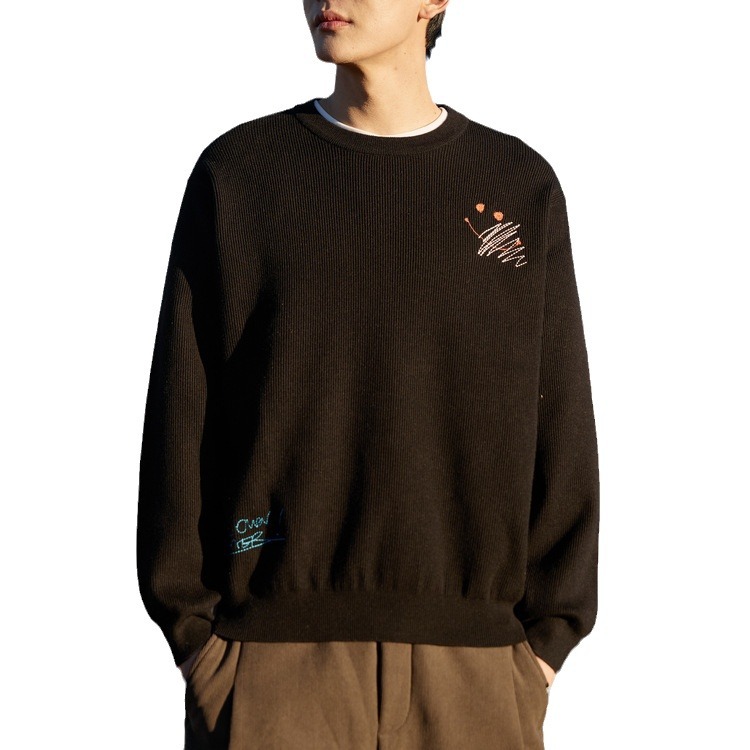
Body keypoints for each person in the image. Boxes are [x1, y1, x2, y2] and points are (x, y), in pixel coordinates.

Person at [136, 1, 600, 747]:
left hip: (477, 674)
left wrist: (544, 645)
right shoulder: (241, 174)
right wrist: (200, 644)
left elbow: (561, 418)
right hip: (271, 667)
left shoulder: (517, 185)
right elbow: (181, 412)